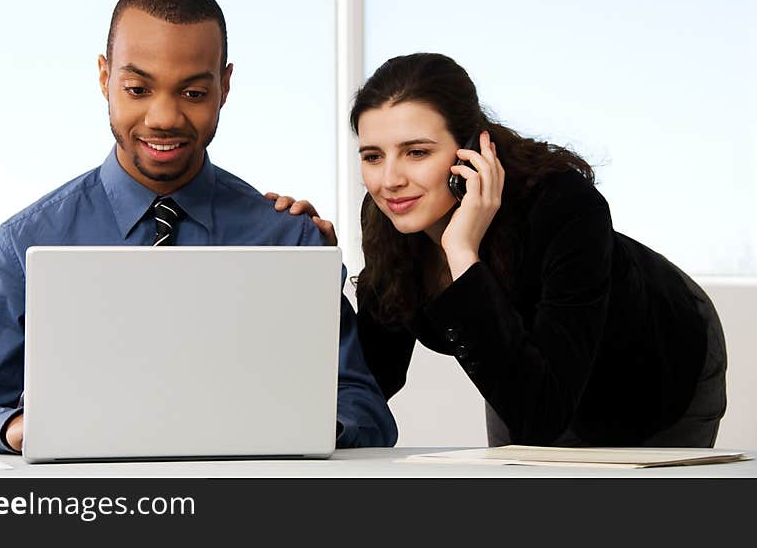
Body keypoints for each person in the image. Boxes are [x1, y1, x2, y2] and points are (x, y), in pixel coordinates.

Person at [0, 0, 397, 453]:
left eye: (192, 93)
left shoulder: (288, 240)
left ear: (224, 87)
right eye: (137, 88)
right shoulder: (20, 247)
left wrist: (290, 425)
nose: (163, 117)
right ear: (105, 77)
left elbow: (366, 412)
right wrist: (15, 429)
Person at [270, 52, 727, 447]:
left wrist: (461, 252)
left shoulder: (564, 205)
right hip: (530, 383)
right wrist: (314, 275)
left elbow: (541, 416)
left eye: (416, 152)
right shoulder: (391, 218)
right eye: (372, 156)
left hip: (657, 366)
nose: (389, 180)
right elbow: (372, 378)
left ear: (472, 148)